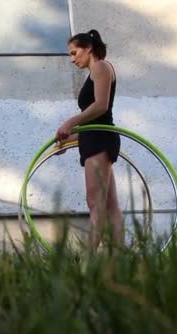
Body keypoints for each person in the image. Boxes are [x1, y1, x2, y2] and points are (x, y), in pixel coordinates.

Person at [55, 29, 124, 249]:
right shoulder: (94, 72)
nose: (72, 59)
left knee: (96, 203)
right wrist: (69, 139)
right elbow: (93, 123)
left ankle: (89, 261)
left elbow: (101, 107)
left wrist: (70, 122)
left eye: (75, 53)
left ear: (89, 49)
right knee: (110, 205)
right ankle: (120, 259)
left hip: (100, 140)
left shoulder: (102, 67)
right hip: (95, 137)